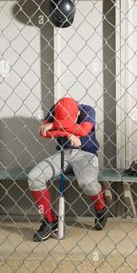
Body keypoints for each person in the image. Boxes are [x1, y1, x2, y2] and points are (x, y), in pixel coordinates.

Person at [28, 97, 108, 242]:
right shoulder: (56, 109)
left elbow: (83, 131)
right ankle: (50, 221)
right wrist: (67, 133)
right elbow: (43, 132)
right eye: (59, 121)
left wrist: (55, 126)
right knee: (34, 177)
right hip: (63, 154)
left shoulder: (87, 110)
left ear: (77, 114)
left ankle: (101, 206)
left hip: (86, 154)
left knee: (87, 182)